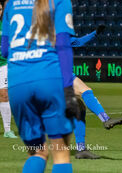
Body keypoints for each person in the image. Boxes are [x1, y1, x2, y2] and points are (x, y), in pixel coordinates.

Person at [1, 0, 80, 172]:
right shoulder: (60, 1)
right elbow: (63, 44)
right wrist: (68, 90)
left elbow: (5, 50)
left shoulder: (11, 3)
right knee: (60, 152)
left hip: (18, 83)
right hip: (49, 78)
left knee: (37, 152)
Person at [70, 27, 122, 159]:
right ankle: (105, 119)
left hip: (53, 75)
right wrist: (95, 33)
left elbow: (78, 41)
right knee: (85, 91)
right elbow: (79, 42)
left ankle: (81, 149)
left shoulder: (52, 36)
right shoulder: (57, 36)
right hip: (57, 74)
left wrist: (95, 33)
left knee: (79, 109)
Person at [0, 1, 17, 138]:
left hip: (3, 65)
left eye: (0, 9)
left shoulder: (6, 25)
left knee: (4, 95)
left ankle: (7, 130)